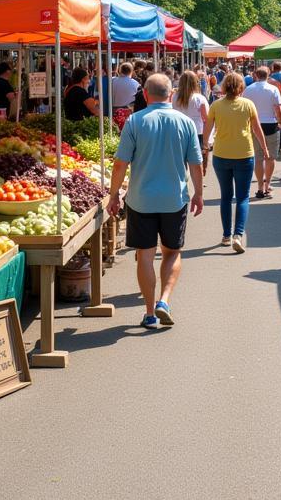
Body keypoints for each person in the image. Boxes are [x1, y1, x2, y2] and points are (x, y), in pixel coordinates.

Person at [107, 74, 203, 330]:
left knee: (145, 255)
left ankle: (149, 312)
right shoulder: (185, 123)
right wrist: (199, 194)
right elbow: (196, 163)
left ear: (146, 95)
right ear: (171, 95)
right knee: (172, 252)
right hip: (174, 198)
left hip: (141, 199)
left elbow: (120, 164)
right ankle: (164, 300)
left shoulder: (134, 121)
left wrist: (114, 194)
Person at [205, 73, 268, 253]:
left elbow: (207, 128)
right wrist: (264, 148)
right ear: (241, 87)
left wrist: (203, 145)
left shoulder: (216, 105)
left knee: (226, 196)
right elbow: (257, 129)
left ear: (224, 87)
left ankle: (226, 234)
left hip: (221, 154)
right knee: (242, 197)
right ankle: (238, 235)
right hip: (244, 154)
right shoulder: (248, 105)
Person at [244, 66, 281, 198]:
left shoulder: (248, 89)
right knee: (270, 157)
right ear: (268, 75)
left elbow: (245, 109)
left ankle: (260, 186)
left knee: (258, 158)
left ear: (255, 75)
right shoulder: (273, 89)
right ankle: (267, 184)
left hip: (255, 125)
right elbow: (278, 109)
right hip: (271, 125)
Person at [172, 70, 210, 169]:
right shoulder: (199, 99)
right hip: (197, 132)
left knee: (181, 161)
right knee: (197, 162)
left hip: (179, 131)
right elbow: (206, 120)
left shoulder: (174, 97)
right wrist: (207, 141)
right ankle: (198, 182)